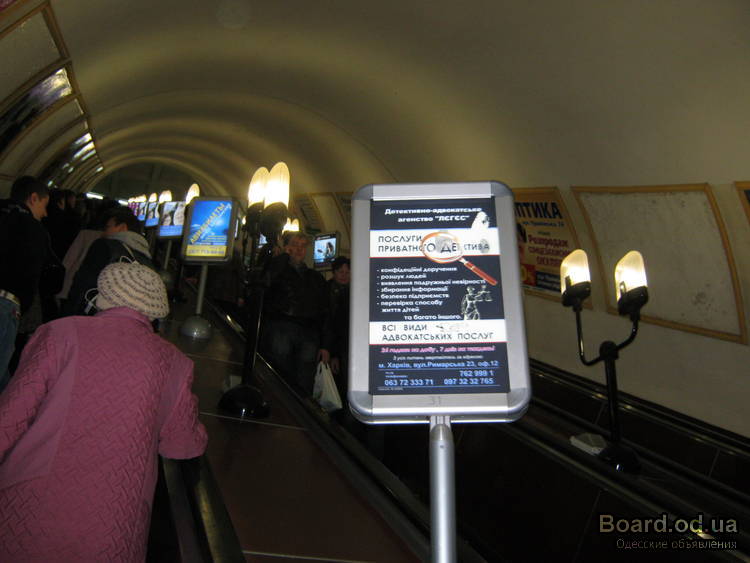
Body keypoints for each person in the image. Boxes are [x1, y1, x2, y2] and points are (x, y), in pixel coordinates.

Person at [0, 262, 207, 561]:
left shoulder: (60, 333)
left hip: (29, 509)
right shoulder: (175, 362)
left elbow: (9, 420)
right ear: (154, 312)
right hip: (114, 526)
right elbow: (181, 445)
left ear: (100, 296)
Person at [261, 232, 329, 395]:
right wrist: (283, 257)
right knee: (280, 373)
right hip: (281, 327)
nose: (299, 249)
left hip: (309, 331)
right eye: (294, 245)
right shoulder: (278, 271)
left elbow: (324, 311)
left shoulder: (315, 277)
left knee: (305, 378)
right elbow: (266, 281)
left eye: (303, 246)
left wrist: (325, 344)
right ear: (286, 247)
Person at [0, 176, 49, 391]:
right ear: (33, 198)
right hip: (6, 302)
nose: (45, 213)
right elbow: (31, 273)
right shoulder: (31, 228)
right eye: (44, 206)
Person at [63, 206, 153, 316]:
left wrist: (69, 313)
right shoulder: (146, 260)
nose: (103, 233)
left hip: (93, 317)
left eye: (107, 227)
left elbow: (83, 286)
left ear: (122, 227)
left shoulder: (104, 246)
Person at [327, 256, 350, 398]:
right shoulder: (325, 290)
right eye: (340, 272)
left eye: (347, 272)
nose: (344, 275)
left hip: (345, 345)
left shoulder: (354, 292)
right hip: (332, 345)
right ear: (334, 272)